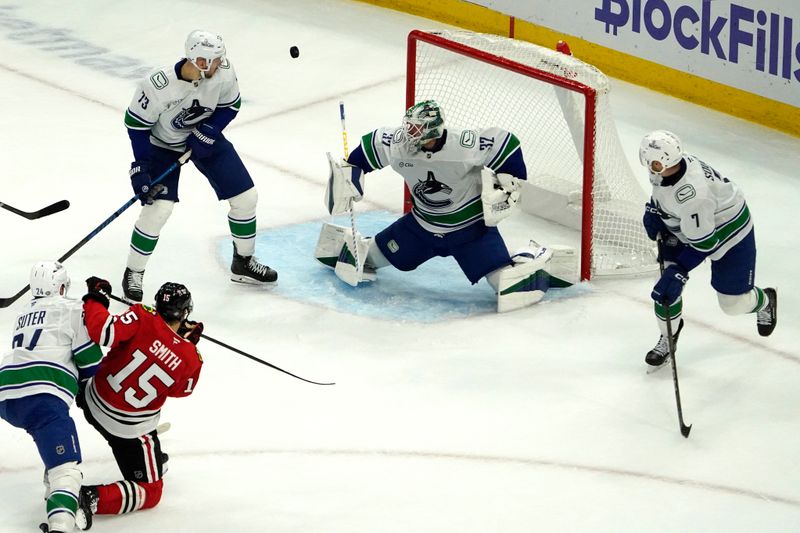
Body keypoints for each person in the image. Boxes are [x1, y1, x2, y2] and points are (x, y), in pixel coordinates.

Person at [315, 100, 574, 312]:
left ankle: (536, 258)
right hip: (420, 228)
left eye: (417, 130)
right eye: (409, 128)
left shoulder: (463, 145)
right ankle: (359, 243)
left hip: (471, 233)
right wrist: (350, 176)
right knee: (364, 259)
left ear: (434, 131)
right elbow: (361, 156)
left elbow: (506, 144)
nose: (409, 135)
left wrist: (509, 182)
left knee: (506, 286)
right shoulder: (397, 144)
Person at [121, 29, 276, 303]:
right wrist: (141, 167)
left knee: (246, 198)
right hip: (162, 145)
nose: (221, 64)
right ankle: (134, 272)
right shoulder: (157, 85)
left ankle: (243, 262)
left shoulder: (224, 72)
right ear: (200, 62)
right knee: (159, 210)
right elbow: (136, 126)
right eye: (214, 60)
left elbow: (231, 105)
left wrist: (210, 130)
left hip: (203, 137)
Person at [639, 130, 777, 367]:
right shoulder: (670, 167)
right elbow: (664, 190)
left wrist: (680, 269)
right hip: (691, 223)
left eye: (654, 163)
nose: (650, 167)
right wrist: (656, 210)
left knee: (733, 305)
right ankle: (668, 335)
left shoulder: (693, 196)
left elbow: (704, 243)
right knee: (664, 292)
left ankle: (765, 300)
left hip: (729, 230)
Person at [76, 277, 203, 518]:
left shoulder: (142, 315)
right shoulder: (190, 357)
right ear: (185, 314)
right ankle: (92, 499)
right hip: (129, 433)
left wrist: (95, 297)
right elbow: (182, 390)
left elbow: (102, 331)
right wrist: (185, 345)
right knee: (151, 492)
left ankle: (151, 459)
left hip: (91, 400)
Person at [0, 261, 101, 532]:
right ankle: (60, 526)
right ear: (60, 286)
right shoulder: (72, 309)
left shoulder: (24, 313)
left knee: (46, 438)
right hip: (41, 395)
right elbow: (90, 362)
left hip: (5, 390)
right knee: (66, 471)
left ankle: (51, 495)